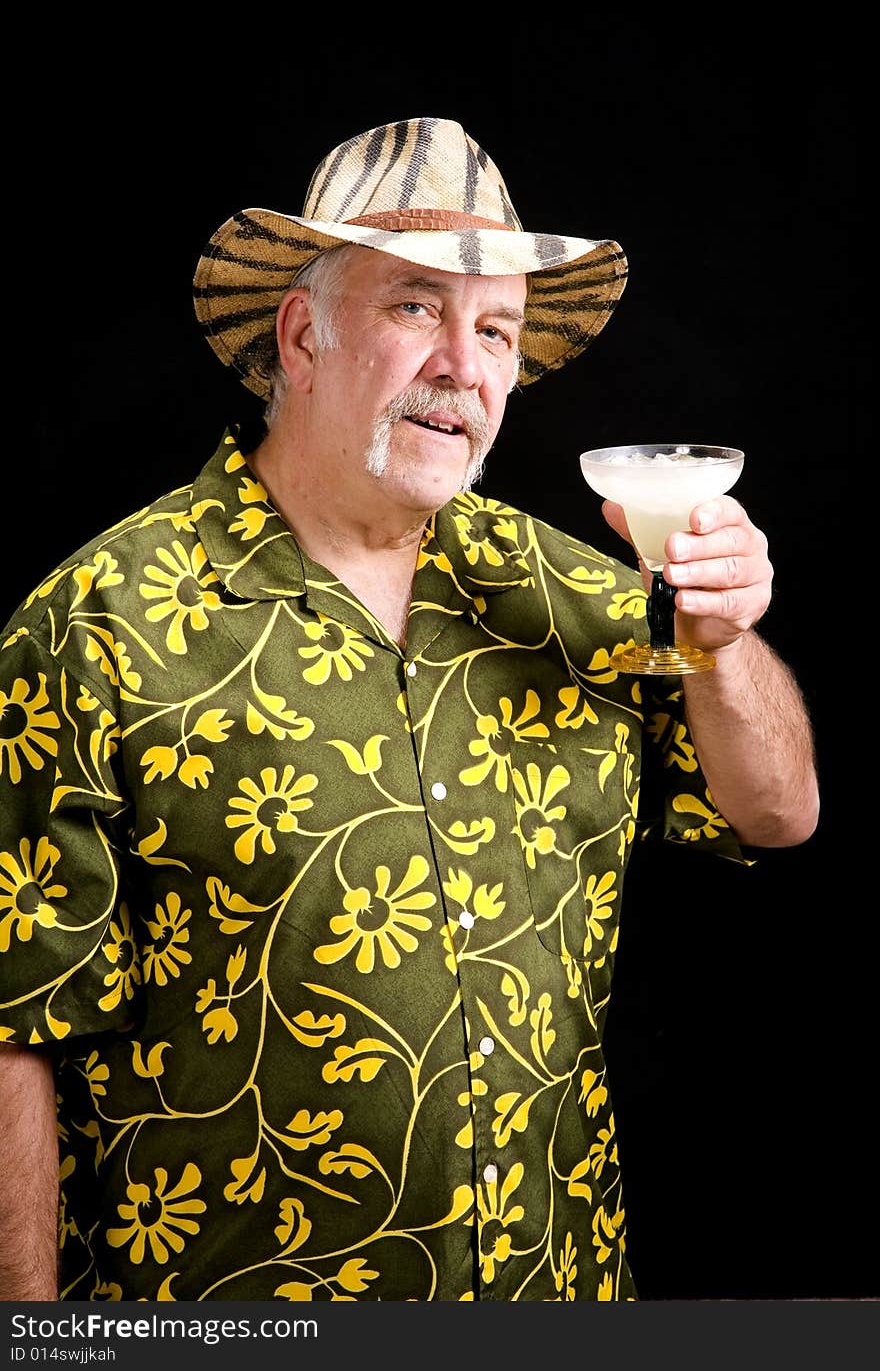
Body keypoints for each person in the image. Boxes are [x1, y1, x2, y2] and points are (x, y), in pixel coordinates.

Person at [0, 116, 818, 1303]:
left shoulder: (580, 595)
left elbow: (777, 811)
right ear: (304, 334)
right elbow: (13, 1027)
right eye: (414, 308)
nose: (464, 365)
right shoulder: (96, 624)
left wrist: (721, 642)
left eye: (495, 329)